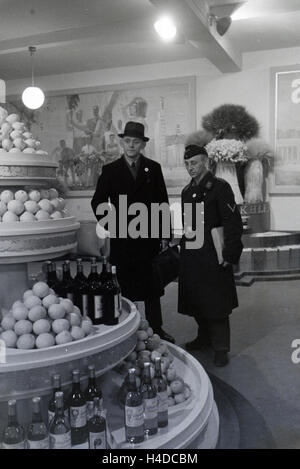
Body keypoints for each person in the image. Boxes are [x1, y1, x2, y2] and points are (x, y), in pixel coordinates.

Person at [91, 121, 175, 343]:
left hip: (149, 237)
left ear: (142, 144)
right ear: (122, 142)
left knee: (152, 286)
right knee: (125, 285)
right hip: (123, 240)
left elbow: (163, 203)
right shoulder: (110, 170)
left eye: (135, 141)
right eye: (127, 141)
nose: (131, 145)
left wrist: (165, 234)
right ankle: (128, 330)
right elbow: (97, 201)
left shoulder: (153, 169)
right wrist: (112, 225)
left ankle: (156, 328)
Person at [178, 144, 243, 366]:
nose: (190, 168)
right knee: (197, 301)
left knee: (217, 304)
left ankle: (221, 348)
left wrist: (230, 254)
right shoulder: (186, 191)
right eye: (187, 164)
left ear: (206, 161)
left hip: (215, 255)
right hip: (193, 256)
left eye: (194, 163)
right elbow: (189, 226)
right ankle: (204, 338)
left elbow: (232, 223)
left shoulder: (220, 187)